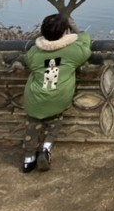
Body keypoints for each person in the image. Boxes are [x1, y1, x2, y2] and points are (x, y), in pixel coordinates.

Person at [22, 14, 91, 173]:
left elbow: (28, 59)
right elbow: (85, 42)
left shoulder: (34, 52)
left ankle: (28, 159)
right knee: (55, 122)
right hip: (58, 97)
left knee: (32, 125)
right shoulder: (73, 51)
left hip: (35, 98)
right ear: (66, 31)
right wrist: (76, 30)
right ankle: (46, 148)